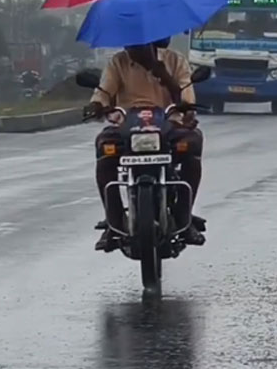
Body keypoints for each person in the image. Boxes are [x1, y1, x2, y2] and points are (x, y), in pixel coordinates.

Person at [84, 37, 205, 251]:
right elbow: (103, 92)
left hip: (168, 125)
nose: (131, 47)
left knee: (193, 143)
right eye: (129, 43)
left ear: (151, 42)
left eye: (137, 43)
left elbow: (186, 96)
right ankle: (114, 222)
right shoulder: (118, 63)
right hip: (127, 127)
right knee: (104, 150)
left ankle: (183, 218)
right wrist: (96, 105)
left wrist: (163, 75)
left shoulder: (175, 61)